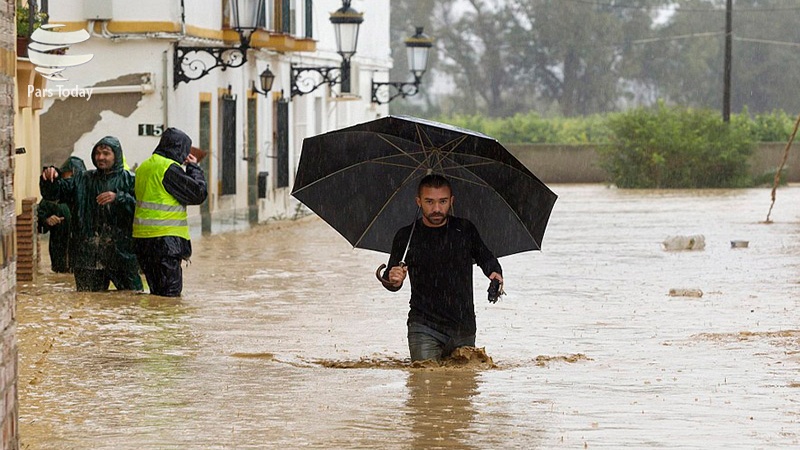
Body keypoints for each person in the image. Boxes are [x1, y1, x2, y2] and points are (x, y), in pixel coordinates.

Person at [380, 174, 503, 362]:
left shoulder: (464, 230)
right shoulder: (406, 236)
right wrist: (394, 280)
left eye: (442, 201)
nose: (436, 208)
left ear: (451, 201)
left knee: (463, 388)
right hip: (423, 326)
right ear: (418, 201)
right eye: (429, 201)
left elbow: (486, 258)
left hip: (463, 327)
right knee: (425, 382)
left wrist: (495, 273)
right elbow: (391, 282)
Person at [40, 137, 143, 291]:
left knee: (132, 298)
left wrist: (119, 198)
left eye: (106, 153)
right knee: (88, 301)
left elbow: (140, 210)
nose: (100, 157)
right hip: (87, 256)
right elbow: (55, 193)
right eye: (97, 153)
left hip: (121, 255)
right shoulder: (82, 179)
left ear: (116, 155)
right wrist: (50, 179)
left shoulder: (129, 180)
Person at [133, 127, 207, 297]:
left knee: (156, 295)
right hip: (165, 243)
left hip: (143, 241)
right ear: (178, 148)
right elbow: (198, 194)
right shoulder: (167, 168)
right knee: (170, 298)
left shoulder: (144, 167)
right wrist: (194, 168)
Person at [37, 156, 87, 273]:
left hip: (83, 263)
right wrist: (47, 221)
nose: (71, 181)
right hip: (60, 263)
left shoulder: (89, 197)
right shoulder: (51, 200)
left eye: (74, 177)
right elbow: (39, 227)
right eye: (67, 177)